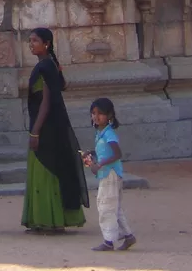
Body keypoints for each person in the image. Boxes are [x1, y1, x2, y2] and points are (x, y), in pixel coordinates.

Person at [22, 27, 89, 233]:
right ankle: (45, 218)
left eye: (35, 41)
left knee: (47, 169)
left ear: (46, 44)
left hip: (47, 127)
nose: (31, 44)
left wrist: (36, 131)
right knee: (48, 168)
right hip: (50, 125)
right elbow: (62, 85)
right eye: (30, 41)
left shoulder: (45, 67)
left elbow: (46, 101)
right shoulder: (50, 65)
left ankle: (50, 219)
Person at [83, 97, 136, 252]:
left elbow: (117, 153)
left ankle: (109, 241)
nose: (96, 116)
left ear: (109, 115)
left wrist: (100, 164)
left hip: (110, 174)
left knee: (105, 206)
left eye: (100, 113)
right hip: (109, 173)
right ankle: (128, 236)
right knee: (115, 207)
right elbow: (104, 152)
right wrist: (91, 155)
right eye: (93, 113)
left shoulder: (108, 134)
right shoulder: (101, 133)